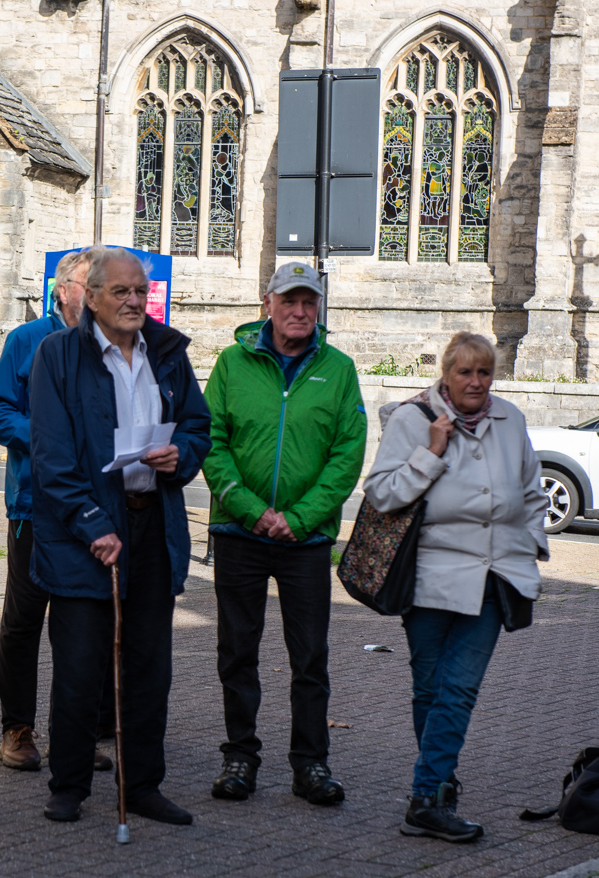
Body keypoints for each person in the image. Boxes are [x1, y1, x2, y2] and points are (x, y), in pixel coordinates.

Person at [28, 247, 211, 825]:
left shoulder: (168, 352)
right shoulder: (58, 355)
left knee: (149, 665)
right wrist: (92, 524)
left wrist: (181, 455)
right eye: (121, 292)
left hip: (152, 523)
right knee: (81, 666)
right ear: (91, 297)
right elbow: (51, 455)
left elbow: (198, 426)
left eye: (140, 291)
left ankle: (142, 786)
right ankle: (69, 785)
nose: (134, 301)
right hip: (83, 532)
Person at [364, 331, 546, 843]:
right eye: (465, 372)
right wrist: (432, 453)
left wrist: (529, 544)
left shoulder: (510, 419)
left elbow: (532, 492)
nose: (476, 381)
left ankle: (426, 798)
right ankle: (439, 785)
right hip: (428, 579)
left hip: (493, 577)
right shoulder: (414, 419)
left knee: (458, 690)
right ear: (446, 374)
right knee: (430, 690)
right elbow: (381, 494)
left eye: (484, 372)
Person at [202, 263, 366, 806]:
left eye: (309, 302)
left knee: (310, 657)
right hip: (239, 533)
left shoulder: (338, 369)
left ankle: (311, 763)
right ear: (267, 304)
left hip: (306, 541)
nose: (299, 312)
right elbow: (211, 440)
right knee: (237, 652)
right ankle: (240, 756)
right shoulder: (232, 363)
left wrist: (298, 518)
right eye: (289, 301)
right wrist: (250, 510)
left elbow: (347, 455)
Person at [0, 249, 114, 772]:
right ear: (62, 290)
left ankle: (73, 736)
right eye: (88, 283)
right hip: (35, 507)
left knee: (81, 628)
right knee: (24, 621)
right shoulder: (26, 340)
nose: (97, 293)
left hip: (96, 510)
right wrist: (43, 438)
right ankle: (17, 730)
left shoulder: (113, 345)